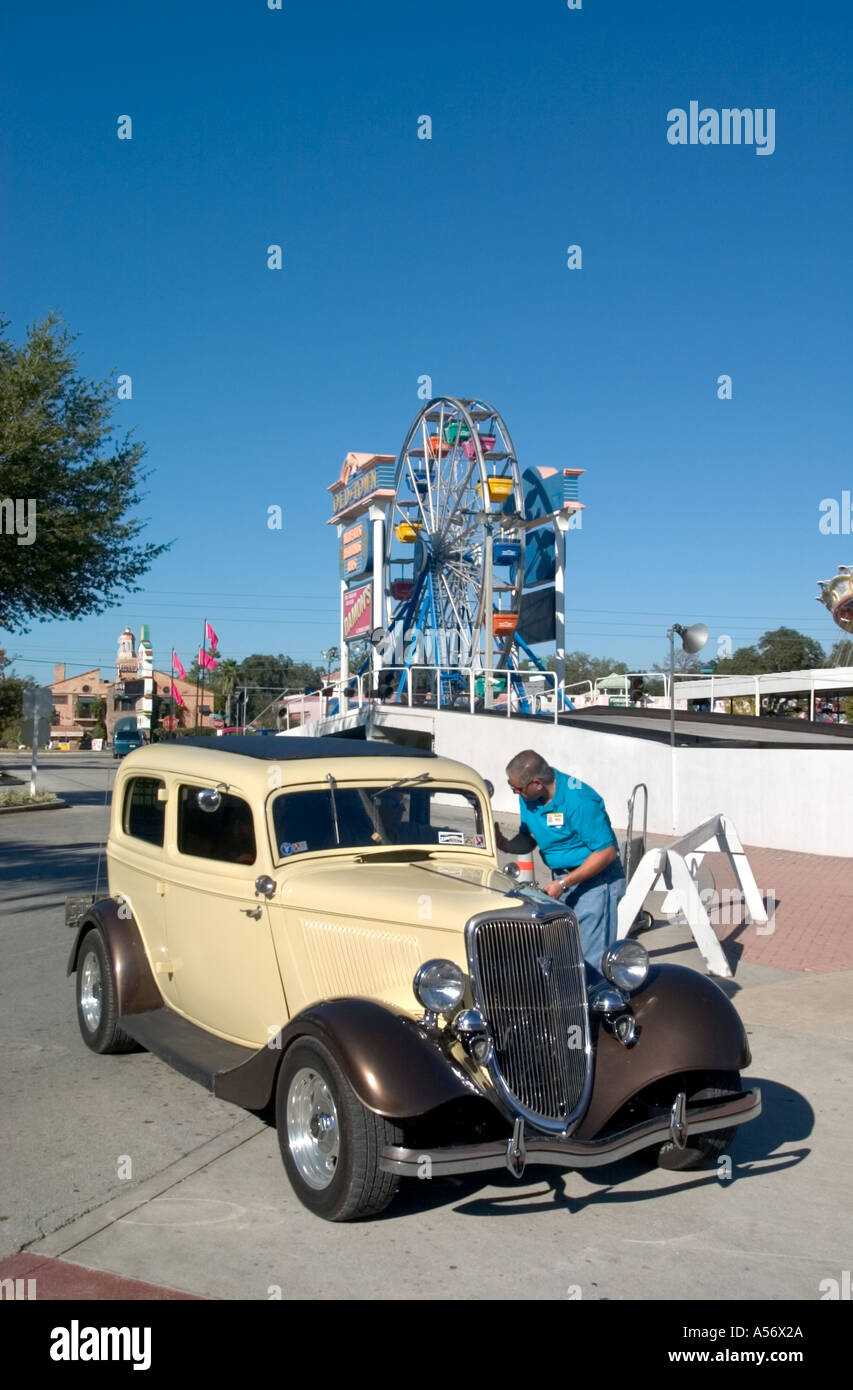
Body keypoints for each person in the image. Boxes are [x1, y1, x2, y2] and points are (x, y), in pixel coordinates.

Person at [495, 749, 626, 970]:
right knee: (564, 954)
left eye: (518, 789)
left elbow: (606, 852)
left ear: (537, 783)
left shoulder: (579, 801)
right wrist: (505, 844)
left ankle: (594, 999)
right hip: (562, 881)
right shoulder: (530, 799)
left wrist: (564, 884)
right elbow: (529, 837)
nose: (516, 793)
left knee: (591, 960)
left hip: (595, 881)